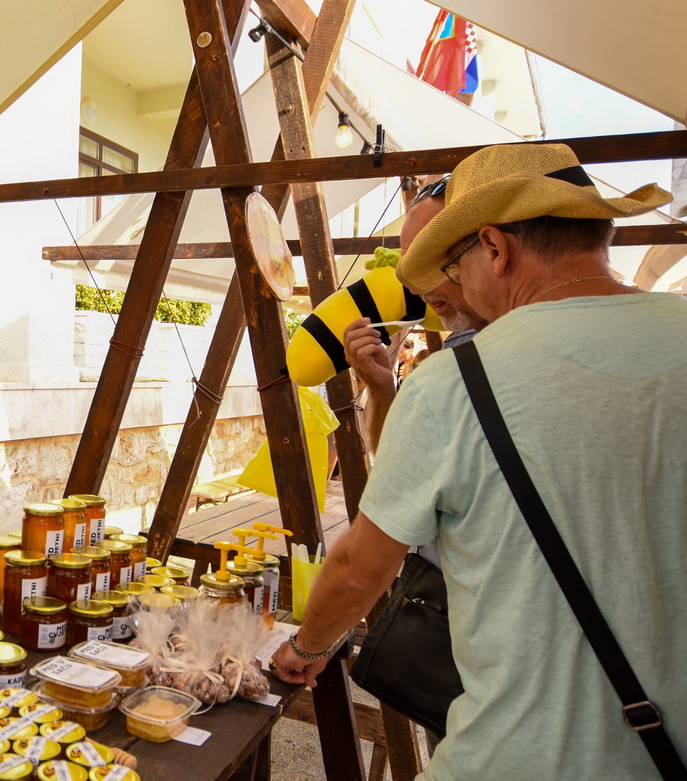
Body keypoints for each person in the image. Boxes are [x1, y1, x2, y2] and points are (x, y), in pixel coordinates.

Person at [271, 143, 684, 780]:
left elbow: (358, 570)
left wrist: (308, 646)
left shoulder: (455, 381)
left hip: (514, 760)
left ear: (494, 247)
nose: (451, 286)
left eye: (453, 263)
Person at [343, 176, 488, 451]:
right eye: (410, 267)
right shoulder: (460, 347)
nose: (415, 288)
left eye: (431, 261)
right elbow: (406, 460)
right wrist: (382, 389)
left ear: (493, 247)